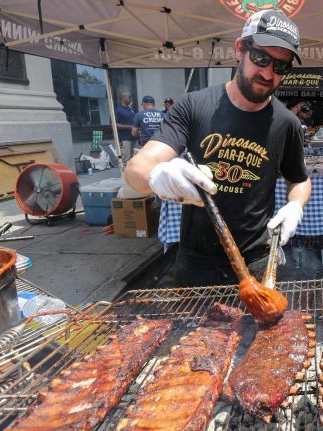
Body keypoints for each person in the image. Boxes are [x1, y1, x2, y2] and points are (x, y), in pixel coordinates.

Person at [123, 9, 311, 287]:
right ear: (240, 49)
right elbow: (135, 170)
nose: (268, 73)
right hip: (195, 260)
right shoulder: (194, 106)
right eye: (261, 58)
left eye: (280, 66)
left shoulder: (287, 123)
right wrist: (155, 176)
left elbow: (299, 179)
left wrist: (296, 205)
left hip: (256, 260)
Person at [114, 91, 136, 163]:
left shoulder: (130, 109)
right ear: (123, 98)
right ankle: (124, 174)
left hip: (133, 138)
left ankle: (131, 174)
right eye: (129, 97)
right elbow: (113, 125)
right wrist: (130, 127)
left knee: (133, 161)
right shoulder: (118, 110)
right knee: (125, 160)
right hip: (124, 139)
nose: (131, 99)